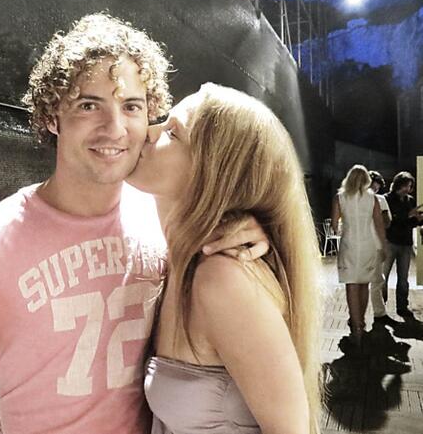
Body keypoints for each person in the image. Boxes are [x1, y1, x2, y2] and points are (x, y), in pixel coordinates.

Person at [0, 14, 268, 434]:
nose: (114, 128)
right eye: (88, 105)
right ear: (52, 116)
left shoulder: (165, 217)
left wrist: (252, 231)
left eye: (131, 106)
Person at [128, 84, 322, 434]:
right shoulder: (175, 255)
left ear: (215, 172)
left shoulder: (221, 278)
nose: (149, 131)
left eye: (173, 132)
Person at [331, 165, 388, 345]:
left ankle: (356, 327)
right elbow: (379, 224)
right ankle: (361, 323)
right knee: (364, 284)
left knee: (351, 286)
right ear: (366, 180)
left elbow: (334, 225)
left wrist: (342, 226)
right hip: (368, 245)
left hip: (349, 245)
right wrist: (383, 246)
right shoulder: (373, 199)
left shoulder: (340, 197)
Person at [382, 171, 423, 320]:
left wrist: (418, 219)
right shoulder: (387, 199)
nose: (408, 189)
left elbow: (410, 223)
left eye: (410, 186)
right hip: (390, 241)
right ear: (398, 184)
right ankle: (381, 307)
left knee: (403, 278)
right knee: (383, 276)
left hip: (405, 243)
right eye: (405, 185)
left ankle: (402, 306)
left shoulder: (409, 200)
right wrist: (408, 215)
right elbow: (389, 222)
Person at [368, 170, 396, 327]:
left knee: (358, 283)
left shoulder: (352, 199)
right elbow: (387, 222)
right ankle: (379, 313)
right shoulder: (380, 200)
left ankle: (355, 316)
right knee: (376, 281)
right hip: (375, 245)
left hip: (357, 246)